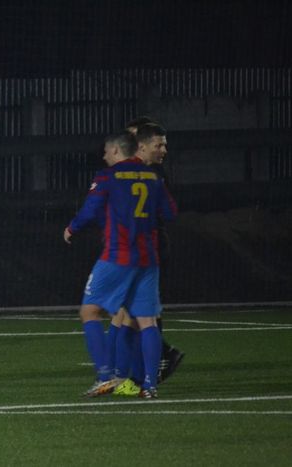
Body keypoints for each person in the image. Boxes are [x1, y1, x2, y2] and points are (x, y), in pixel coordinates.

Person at [63, 130, 177, 399]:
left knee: (89, 312)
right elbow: (170, 212)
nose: (104, 156)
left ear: (116, 150)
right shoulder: (154, 177)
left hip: (117, 256)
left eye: (106, 151)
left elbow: (90, 210)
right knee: (147, 321)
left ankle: (105, 377)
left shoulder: (107, 176)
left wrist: (71, 228)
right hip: (148, 258)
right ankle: (149, 386)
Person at [111, 119, 185, 396]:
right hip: (136, 248)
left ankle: (142, 374)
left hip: (145, 249)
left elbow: (165, 212)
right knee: (128, 314)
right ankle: (136, 373)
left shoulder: (148, 173)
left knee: (134, 315)